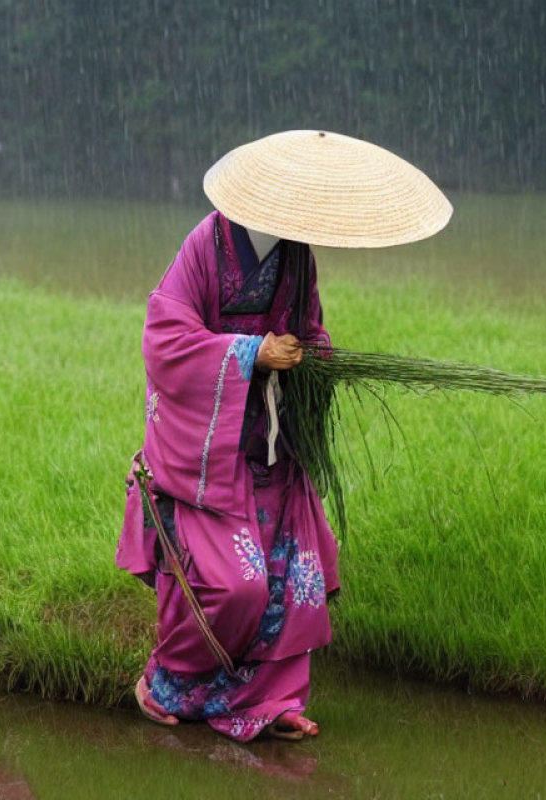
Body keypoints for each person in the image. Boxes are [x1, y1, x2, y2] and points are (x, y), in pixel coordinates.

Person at [116, 130, 453, 742]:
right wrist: (251, 352)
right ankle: (162, 683)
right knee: (236, 586)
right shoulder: (204, 246)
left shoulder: (297, 255)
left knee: (293, 582)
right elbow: (165, 339)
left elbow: (311, 328)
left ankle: (268, 704)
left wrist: (317, 360)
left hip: (270, 446)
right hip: (208, 454)